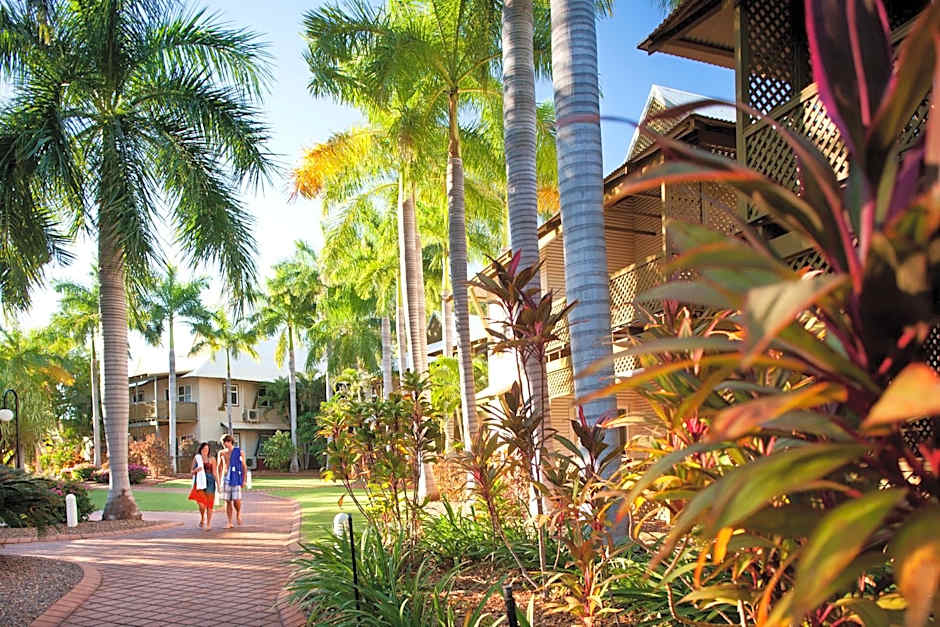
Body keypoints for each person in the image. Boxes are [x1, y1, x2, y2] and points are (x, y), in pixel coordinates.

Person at [188, 442, 218, 530]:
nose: (206, 451)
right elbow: (191, 471)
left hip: (210, 482)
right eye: (204, 449)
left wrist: (219, 485)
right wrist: (196, 469)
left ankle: (208, 523)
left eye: (207, 450)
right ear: (200, 450)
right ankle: (202, 518)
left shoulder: (212, 459)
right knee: (201, 504)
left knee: (209, 504)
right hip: (200, 483)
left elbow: (215, 473)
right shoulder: (197, 458)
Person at [218, 434, 246, 528]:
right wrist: (218, 480)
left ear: (230, 442)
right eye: (223, 444)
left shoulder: (239, 452)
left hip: (236, 478)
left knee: (236, 500)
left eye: (225, 443)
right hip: (225, 478)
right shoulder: (221, 453)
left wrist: (243, 480)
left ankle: (238, 513)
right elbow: (219, 466)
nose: (224, 445)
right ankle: (229, 522)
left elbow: (244, 466)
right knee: (227, 500)